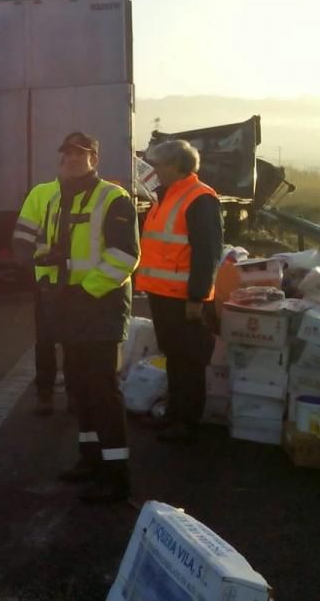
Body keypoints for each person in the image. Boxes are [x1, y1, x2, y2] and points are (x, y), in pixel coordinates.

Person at [12, 132, 140, 503]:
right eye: (66, 152)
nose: (71, 158)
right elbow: (30, 243)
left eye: (80, 154)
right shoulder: (48, 197)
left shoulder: (114, 198)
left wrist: (84, 289)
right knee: (80, 389)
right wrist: (42, 258)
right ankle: (90, 459)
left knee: (102, 390)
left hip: (99, 308)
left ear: (94, 160)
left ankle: (117, 477)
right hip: (64, 306)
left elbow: (124, 258)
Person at [137, 139, 223, 443]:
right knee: (175, 357)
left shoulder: (199, 198)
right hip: (163, 294)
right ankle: (174, 415)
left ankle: (187, 423)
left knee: (189, 362)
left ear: (175, 166)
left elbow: (208, 252)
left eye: (159, 165)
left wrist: (197, 297)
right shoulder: (166, 195)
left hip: (184, 297)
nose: (155, 171)